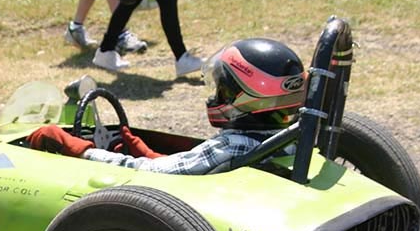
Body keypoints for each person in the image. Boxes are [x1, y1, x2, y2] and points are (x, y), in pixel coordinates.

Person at [29, 38, 307, 175]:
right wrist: (148, 151)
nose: (215, 96)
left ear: (243, 97)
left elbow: (155, 176)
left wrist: (78, 149)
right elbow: (180, 167)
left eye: (222, 89)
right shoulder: (289, 141)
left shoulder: (233, 146)